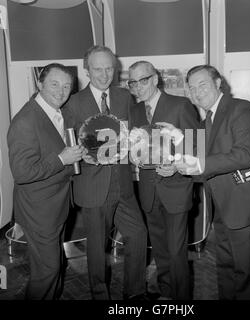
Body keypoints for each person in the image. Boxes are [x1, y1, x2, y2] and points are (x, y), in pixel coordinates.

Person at [174, 65, 250, 300]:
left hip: (246, 208)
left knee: (248, 274)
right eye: (192, 89)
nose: (197, 92)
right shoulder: (205, 123)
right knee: (224, 269)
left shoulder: (241, 108)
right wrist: (175, 144)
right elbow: (199, 163)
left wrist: (200, 164)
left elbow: (244, 155)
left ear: (218, 83)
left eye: (202, 85)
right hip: (222, 209)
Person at [63, 46, 148, 300]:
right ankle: (100, 295)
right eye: (97, 69)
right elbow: (66, 145)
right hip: (92, 186)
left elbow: (136, 133)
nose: (104, 74)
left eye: (109, 68)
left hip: (123, 185)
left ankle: (134, 294)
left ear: (115, 68)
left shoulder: (124, 97)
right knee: (98, 248)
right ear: (87, 70)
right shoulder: (73, 103)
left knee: (138, 234)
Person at [7, 63, 84, 299]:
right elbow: (22, 172)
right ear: (39, 83)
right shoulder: (25, 121)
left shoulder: (58, 112)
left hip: (56, 206)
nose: (61, 91)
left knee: (55, 265)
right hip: (38, 211)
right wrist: (62, 159)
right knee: (48, 270)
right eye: (54, 84)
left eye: (67, 86)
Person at [128, 61, 201, 300]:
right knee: (160, 249)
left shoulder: (180, 105)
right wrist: (135, 157)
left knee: (176, 251)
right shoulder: (136, 111)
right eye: (132, 82)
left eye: (143, 80)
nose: (138, 87)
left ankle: (181, 300)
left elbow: (196, 149)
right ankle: (166, 293)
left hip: (176, 190)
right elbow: (137, 148)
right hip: (148, 192)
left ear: (155, 79)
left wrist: (177, 168)